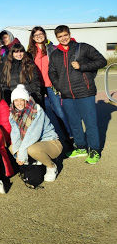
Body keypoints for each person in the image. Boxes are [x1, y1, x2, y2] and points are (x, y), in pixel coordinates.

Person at [48, 25, 107, 164]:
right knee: (74, 123)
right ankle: (81, 147)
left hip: (85, 92)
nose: (63, 38)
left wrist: (82, 67)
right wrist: (59, 86)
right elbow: (52, 72)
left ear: (69, 34)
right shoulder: (55, 54)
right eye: (60, 36)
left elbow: (101, 61)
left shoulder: (83, 47)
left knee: (90, 123)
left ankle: (94, 150)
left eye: (65, 35)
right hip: (67, 95)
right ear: (57, 38)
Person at [27, 26, 71, 145]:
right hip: (37, 87)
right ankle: (44, 139)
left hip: (51, 85)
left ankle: (69, 137)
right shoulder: (30, 52)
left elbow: (60, 66)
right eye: (36, 35)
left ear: (45, 34)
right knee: (40, 114)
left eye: (41, 34)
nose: (39, 36)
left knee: (59, 111)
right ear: (33, 37)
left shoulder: (52, 48)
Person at [9, 85, 63, 181]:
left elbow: (32, 135)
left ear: (26, 100)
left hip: (51, 142)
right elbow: (15, 133)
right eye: (16, 100)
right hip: (34, 143)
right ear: (13, 102)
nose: (19, 103)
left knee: (32, 150)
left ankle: (51, 166)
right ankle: (37, 161)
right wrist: (18, 152)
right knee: (12, 148)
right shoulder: (13, 113)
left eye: (22, 100)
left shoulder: (36, 110)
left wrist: (21, 154)